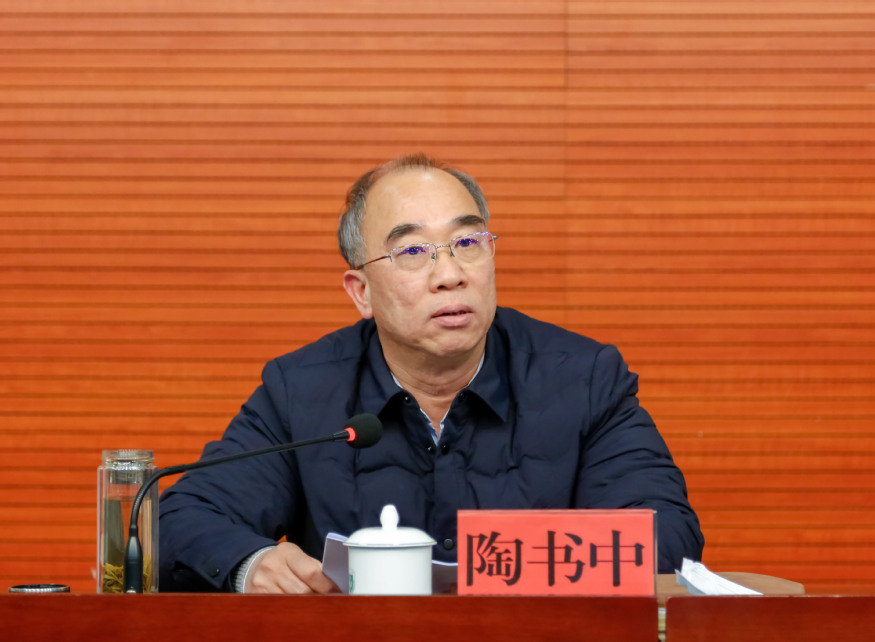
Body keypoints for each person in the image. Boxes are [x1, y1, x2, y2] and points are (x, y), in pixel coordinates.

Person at [159, 154, 703, 593]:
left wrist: (512, 565)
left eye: (467, 243)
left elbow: (668, 536)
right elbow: (178, 519)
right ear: (361, 292)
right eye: (413, 251)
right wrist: (249, 563)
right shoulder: (300, 391)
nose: (449, 274)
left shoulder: (584, 379)